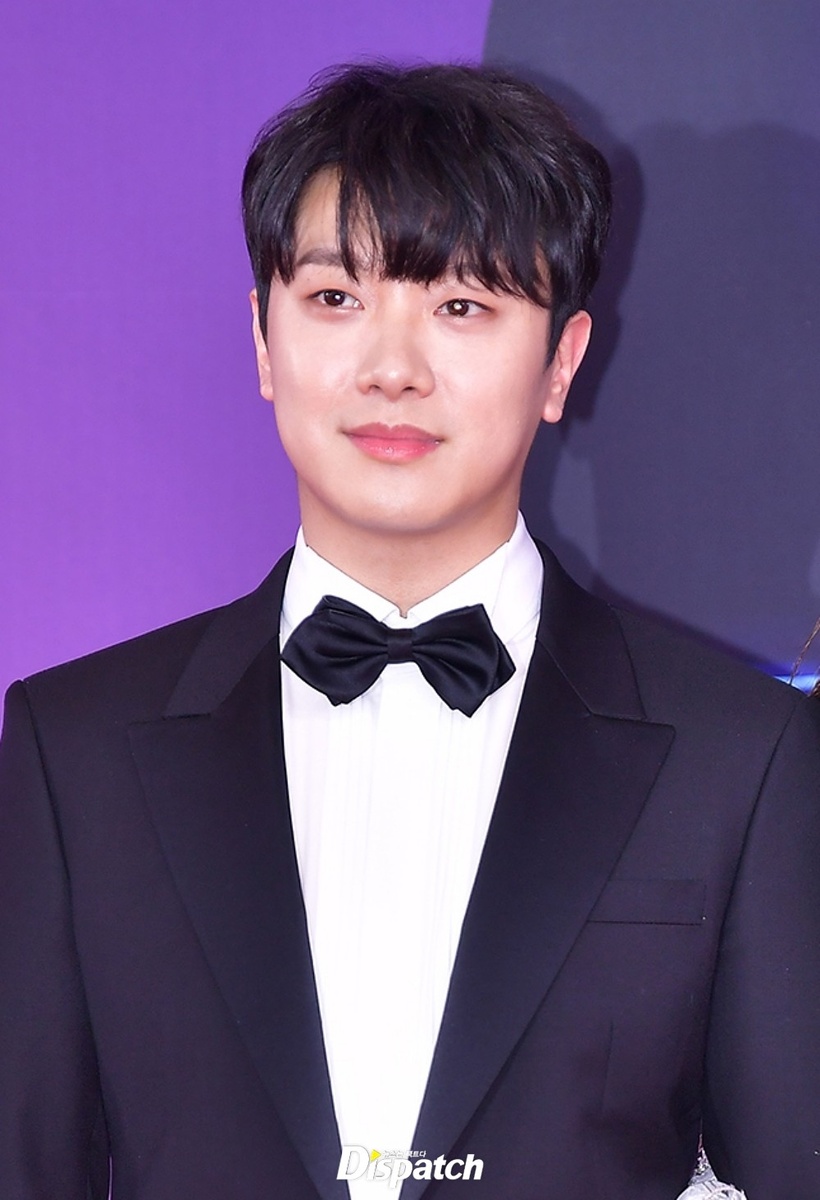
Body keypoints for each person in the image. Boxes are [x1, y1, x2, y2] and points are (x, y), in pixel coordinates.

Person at [0, 62, 818, 1200]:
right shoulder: (73, 748)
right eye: (337, 299)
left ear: (561, 362)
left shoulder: (740, 758)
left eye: (461, 306)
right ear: (263, 339)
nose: (392, 370)